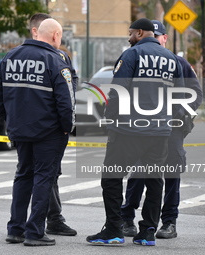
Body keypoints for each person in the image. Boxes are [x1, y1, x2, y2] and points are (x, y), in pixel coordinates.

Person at [86, 18, 185, 246]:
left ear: (140, 32)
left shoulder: (132, 55)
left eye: (130, 33)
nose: (128, 37)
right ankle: (148, 232)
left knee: (111, 178)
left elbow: (118, 92)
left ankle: (113, 229)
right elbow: (180, 97)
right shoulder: (172, 59)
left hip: (128, 131)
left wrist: (110, 122)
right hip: (160, 132)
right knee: (154, 180)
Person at [0, 18, 75, 246]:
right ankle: (35, 232)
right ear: (56, 36)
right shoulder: (56, 61)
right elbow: (66, 101)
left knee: (23, 175)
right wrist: (67, 127)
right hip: (49, 132)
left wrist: (9, 118)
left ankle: (15, 229)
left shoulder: (10, 56)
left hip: (20, 129)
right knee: (43, 178)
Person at [121, 20, 203, 239]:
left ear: (164, 38)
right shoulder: (138, 58)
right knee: (138, 173)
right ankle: (127, 219)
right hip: (143, 127)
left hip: (172, 128)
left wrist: (180, 115)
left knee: (171, 173)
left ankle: (169, 223)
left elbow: (195, 93)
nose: (154, 41)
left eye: (158, 37)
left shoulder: (179, 62)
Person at [28, 13, 78, 237]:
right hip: (38, 126)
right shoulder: (26, 56)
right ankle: (45, 222)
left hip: (54, 127)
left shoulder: (62, 56)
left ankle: (52, 218)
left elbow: (72, 82)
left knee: (50, 173)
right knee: (38, 174)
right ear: (35, 32)